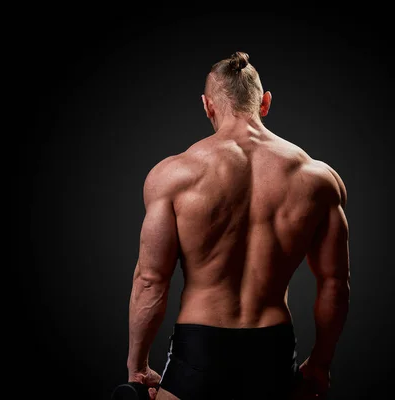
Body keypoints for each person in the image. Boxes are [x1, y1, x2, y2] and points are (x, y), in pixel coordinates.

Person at [125, 52, 350, 400]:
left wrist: (137, 365)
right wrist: (320, 362)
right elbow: (335, 283)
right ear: (265, 102)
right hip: (272, 347)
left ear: (208, 105)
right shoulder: (318, 179)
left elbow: (151, 280)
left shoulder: (174, 176)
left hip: (200, 346)